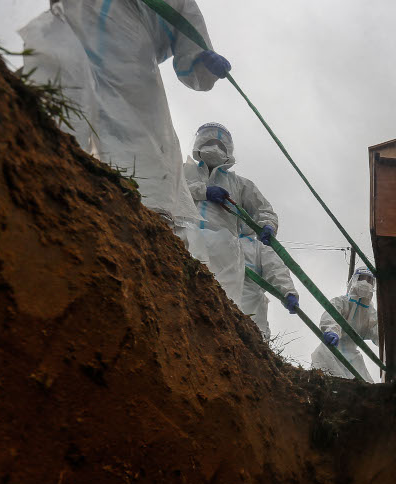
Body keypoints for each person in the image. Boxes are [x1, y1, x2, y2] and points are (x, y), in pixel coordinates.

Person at [19, 0, 231, 254]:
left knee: (136, 146)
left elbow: (193, 59)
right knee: (53, 109)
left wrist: (206, 64)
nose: (213, 147)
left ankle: (143, 225)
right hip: (75, 24)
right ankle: (37, 171)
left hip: (130, 60)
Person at [184, 122, 279, 306]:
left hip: (224, 251)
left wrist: (268, 226)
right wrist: (204, 191)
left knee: (217, 301)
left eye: (221, 146)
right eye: (210, 142)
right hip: (185, 236)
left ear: (228, 151)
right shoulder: (184, 171)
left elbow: (264, 210)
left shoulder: (240, 185)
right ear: (199, 144)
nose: (215, 148)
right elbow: (171, 189)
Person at [311, 268, 379, 381]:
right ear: (354, 280)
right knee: (324, 383)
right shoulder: (341, 302)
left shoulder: (370, 313)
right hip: (330, 351)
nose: (365, 283)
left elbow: (378, 333)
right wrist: (332, 331)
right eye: (362, 278)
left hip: (353, 358)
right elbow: (331, 316)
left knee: (364, 387)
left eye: (369, 280)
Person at [239, 230, 300, 339]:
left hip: (250, 308)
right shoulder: (217, 237)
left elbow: (276, 270)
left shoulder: (257, 248)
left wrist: (288, 292)